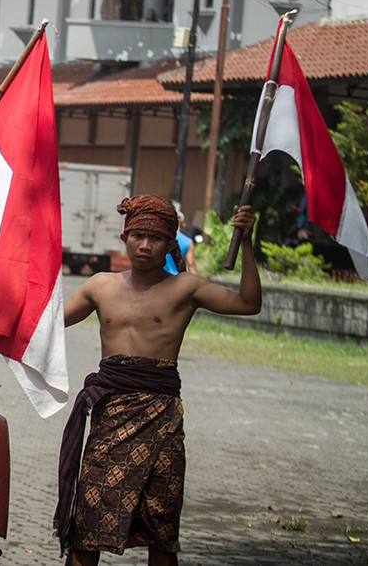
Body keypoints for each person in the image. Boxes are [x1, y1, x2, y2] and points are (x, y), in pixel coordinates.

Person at [54, 195, 261, 566]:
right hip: (111, 420)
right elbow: (47, 324)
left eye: (155, 239)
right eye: (137, 236)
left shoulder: (186, 289)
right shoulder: (100, 286)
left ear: (170, 244)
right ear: (124, 237)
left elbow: (249, 302)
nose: (144, 246)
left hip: (161, 420)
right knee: (89, 525)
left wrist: (245, 241)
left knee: (161, 531)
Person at [163, 205, 197, 276]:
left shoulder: (163, 238)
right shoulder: (188, 242)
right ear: (183, 225)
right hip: (178, 279)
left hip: (161, 278)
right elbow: (191, 264)